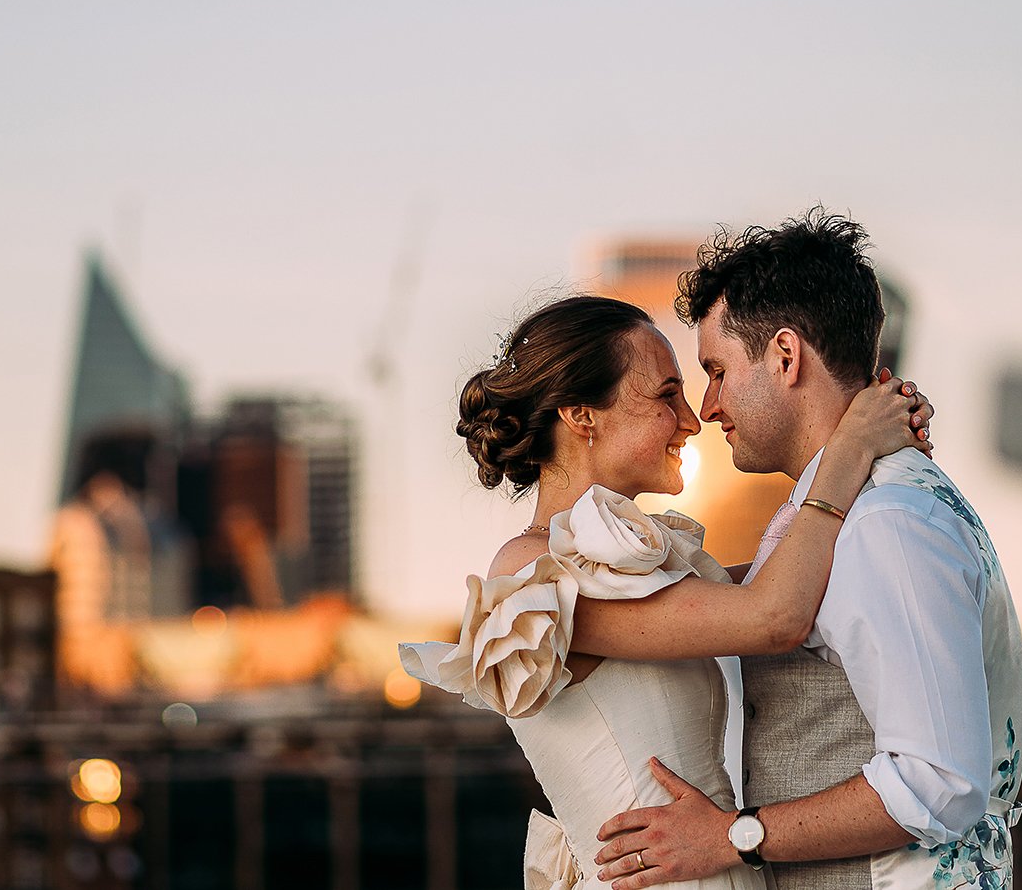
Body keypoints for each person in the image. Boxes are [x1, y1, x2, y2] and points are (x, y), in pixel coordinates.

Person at [398, 291, 933, 889]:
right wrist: (851, 446)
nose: (693, 417)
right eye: (665, 395)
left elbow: (788, 571)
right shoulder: (536, 573)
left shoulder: (629, 569)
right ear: (582, 416)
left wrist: (873, 458)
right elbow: (773, 615)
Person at [585, 212, 1022, 890]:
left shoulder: (887, 523)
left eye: (718, 371)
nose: (708, 406)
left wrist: (733, 836)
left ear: (786, 357)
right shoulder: (844, 512)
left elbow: (938, 781)